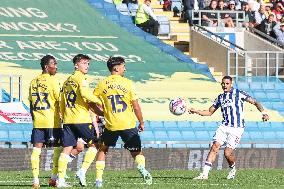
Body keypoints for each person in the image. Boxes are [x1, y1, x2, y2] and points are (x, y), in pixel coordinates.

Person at [189, 75, 269, 180]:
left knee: (227, 153)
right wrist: (196, 111)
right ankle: (204, 174)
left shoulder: (239, 93)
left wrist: (264, 113)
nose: (224, 85)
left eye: (227, 83)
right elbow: (209, 112)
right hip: (224, 126)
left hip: (237, 128)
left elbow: (255, 102)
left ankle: (233, 168)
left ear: (231, 84)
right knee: (215, 146)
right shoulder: (220, 98)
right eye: (223, 83)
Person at [94, 56, 152, 187]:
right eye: (123, 66)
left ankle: (98, 180)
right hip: (128, 124)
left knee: (103, 149)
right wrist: (141, 122)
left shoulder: (102, 84)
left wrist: (101, 113)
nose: (124, 68)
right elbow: (136, 106)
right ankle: (141, 167)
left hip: (111, 124)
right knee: (136, 152)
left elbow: (91, 102)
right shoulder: (128, 83)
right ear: (116, 68)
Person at [57, 54, 102, 187]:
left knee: (67, 148)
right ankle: (82, 171)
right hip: (81, 119)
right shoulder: (81, 78)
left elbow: (61, 101)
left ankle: (61, 180)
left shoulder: (67, 81)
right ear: (76, 65)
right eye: (84, 63)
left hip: (68, 120)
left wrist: (64, 116)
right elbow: (85, 94)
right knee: (96, 144)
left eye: (88, 63)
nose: (86, 66)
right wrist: (100, 101)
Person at [29, 55, 62, 188]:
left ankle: (36, 181)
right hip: (52, 122)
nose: (56, 66)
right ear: (46, 67)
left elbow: (31, 104)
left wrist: (34, 117)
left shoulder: (33, 81)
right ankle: (53, 178)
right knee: (58, 150)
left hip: (38, 122)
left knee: (36, 151)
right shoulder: (53, 81)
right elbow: (59, 101)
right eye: (54, 64)